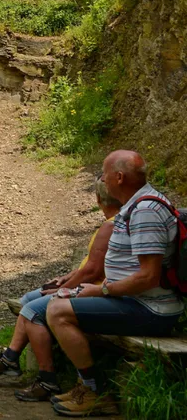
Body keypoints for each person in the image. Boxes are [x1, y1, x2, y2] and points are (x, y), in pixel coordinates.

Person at [47, 150, 184, 417]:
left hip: (152, 309)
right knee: (63, 304)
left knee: (57, 311)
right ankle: (85, 383)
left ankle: (94, 391)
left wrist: (101, 289)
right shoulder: (137, 205)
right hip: (135, 300)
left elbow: (148, 277)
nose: (102, 179)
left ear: (119, 177)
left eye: (104, 173)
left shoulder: (146, 211)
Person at [0, 176, 121, 402]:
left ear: (98, 199)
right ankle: (11, 358)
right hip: (88, 286)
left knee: (32, 310)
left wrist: (62, 289)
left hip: (91, 291)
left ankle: (47, 379)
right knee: (27, 300)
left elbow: (93, 272)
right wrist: (65, 279)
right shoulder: (113, 223)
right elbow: (90, 266)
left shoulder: (110, 227)